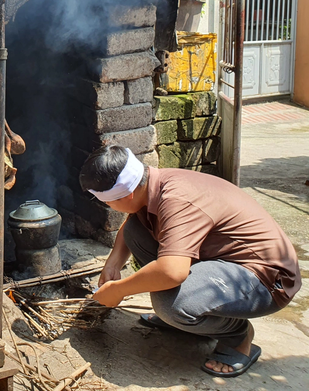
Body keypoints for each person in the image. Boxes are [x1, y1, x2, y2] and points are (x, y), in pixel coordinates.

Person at [78, 145, 301, 378]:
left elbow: (172, 273)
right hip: (224, 260)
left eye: (107, 202)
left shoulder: (177, 199)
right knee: (136, 229)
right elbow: (130, 222)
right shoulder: (154, 184)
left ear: (127, 194)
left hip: (266, 281)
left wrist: (118, 290)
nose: (107, 207)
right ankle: (190, 319)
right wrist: (113, 264)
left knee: (171, 304)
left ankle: (238, 337)